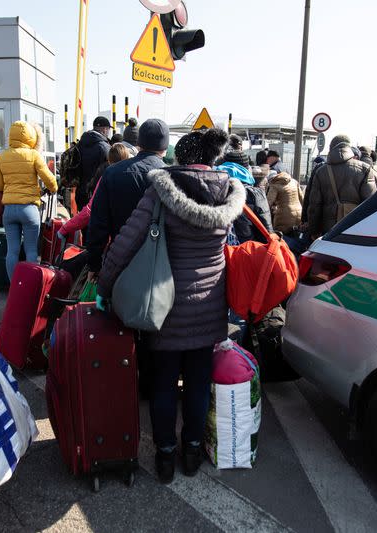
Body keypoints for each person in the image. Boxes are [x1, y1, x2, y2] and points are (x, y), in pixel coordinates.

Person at [96, 128, 246, 483]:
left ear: (180, 156)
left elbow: (125, 245)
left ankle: (165, 456)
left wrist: (104, 287)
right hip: (209, 308)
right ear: (212, 159)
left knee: (163, 384)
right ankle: (191, 451)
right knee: (197, 383)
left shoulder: (161, 191)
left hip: (163, 308)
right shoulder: (228, 193)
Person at [86, 118, 169, 275]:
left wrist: (94, 264)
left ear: (139, 143)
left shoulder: (112, 173)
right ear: (164, 148)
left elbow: (98, 223)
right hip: (157, 263)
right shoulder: (171, 176)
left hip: (119, 258)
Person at [0, 120, 58, 278]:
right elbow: (49, 180)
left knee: (12, 251)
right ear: (30, 136)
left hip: (9, 211)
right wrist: (53, 188)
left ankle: (14, 288)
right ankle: (30, 287)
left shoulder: (2, 157)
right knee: (31, 251)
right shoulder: (34, 155)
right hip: (29, 209)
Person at [306, 134, 377, 239]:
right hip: (355, 229)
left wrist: (314, 231)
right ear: (349, 147)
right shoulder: (364, 169)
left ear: (331, 148)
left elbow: (314, 206)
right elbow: (371, 204)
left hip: (328, 230)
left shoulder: (321, 171)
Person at [57, 143, 132, 243]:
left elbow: (89, 211)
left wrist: (65, 228)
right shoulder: (136, 176)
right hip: (136, 237)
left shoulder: (107, 177)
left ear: (109, 160)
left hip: (114, 239)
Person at [76, 116, 111, 210]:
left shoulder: (80, 144)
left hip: (80, 193)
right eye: (108, 129)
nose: (108, 132)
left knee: (82, 222)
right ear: (104, 129)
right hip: (97, 195)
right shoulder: (105, 147)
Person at [266, 171, 303, 236]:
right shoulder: (294, 182)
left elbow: (268, 203)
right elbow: (302, 198)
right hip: (299, 213)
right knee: (296, 236)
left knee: (281, 236)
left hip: (283, 215)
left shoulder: (274, 185)